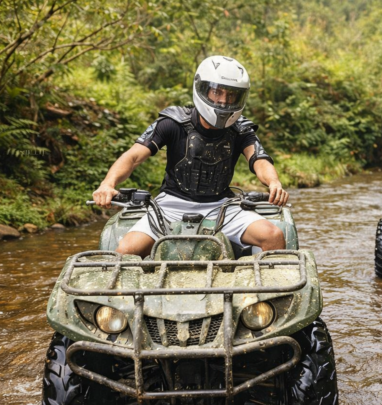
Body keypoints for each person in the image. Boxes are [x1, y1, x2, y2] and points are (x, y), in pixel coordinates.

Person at [91, 55, 288, 257]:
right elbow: (133, 156)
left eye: (231, 95)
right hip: (169, 206)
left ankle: (265, 288)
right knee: (125, 250)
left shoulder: (241, 129)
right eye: (216, 92)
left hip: (222, 207)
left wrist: (273, 182)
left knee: (273, 235)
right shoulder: (172, 122)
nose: (223, 100)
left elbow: (259, 159)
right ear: (202, 89)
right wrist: (108, 184)